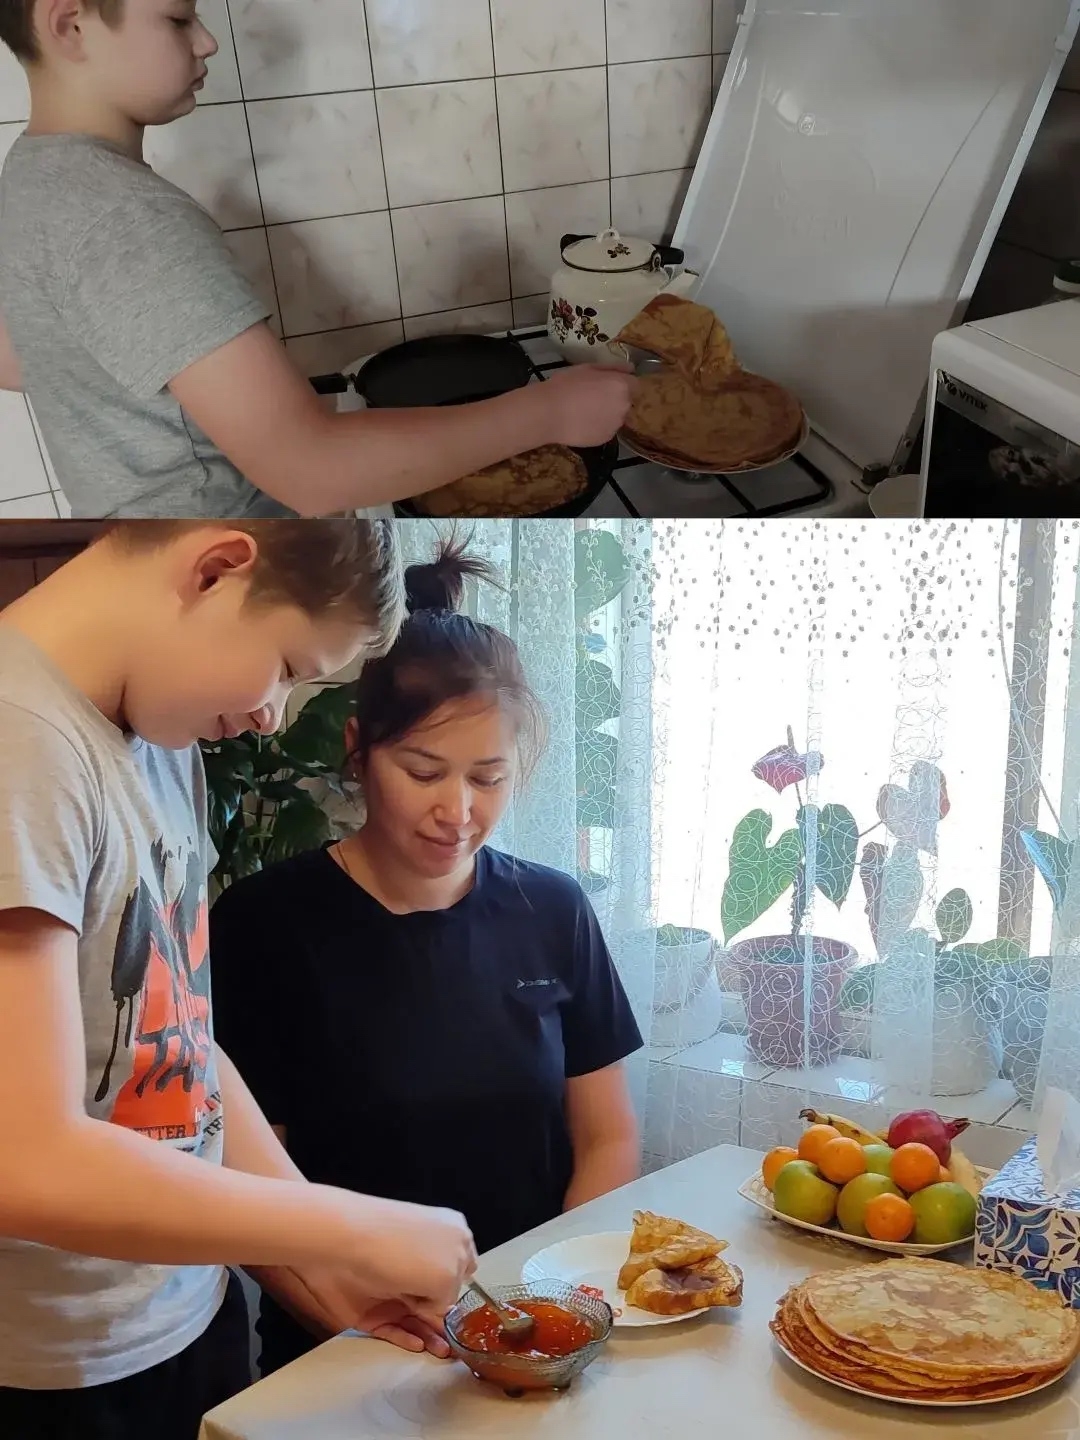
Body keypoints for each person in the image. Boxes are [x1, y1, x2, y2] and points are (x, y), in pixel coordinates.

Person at [0, 519, 479, 1440]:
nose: (274, 716)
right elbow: (24, 1159)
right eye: (289, 668)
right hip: (53, 1371)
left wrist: (319, 1266)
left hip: (186, 1319)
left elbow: (180, 1041)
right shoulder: (21, 741)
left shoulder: (159, 734)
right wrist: (350, 1225)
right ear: (218, 569)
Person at [209, 537, 645, 1377]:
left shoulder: (553, 909)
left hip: (531, 1327)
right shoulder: (266, 923)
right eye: (423, 770)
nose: (458, 810)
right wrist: (357, 1320)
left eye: (488, 778)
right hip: (350, 1340)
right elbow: (250, 1185)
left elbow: (608, 1137)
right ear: (359, 748)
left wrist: (551, 1306)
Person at [0, 0, 635, 518]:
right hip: (225, 563)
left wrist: (244, 396)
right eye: (177, 18)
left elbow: (23, 361)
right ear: (71, 25)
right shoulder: (128, 216)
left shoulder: (28, 181)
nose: (207, 41)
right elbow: (313, 474)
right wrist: (550, 411)